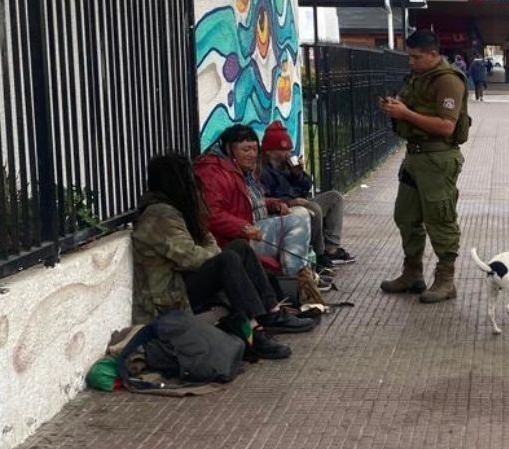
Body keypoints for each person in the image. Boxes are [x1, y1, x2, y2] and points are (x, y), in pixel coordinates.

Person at [130, 153, 307, 361]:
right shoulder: (160, 215)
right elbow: (192, 258)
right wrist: (213, 248)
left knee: (240, 248)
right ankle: (254, 332)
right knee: (227, 260)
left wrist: (203, 230)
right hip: (170, 295)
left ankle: (271, 311)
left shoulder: (173, 209)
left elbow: (205, 239)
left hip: (181, 282)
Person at [378, 30, 469, 304]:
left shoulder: (448, 81)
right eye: (410, 56)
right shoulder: (418, 78)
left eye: (416, 57)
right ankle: (412, 272)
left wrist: (405, 114)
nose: (411, 62)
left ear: (433, 54)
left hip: (437, 159)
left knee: (440, 219)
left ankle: (445, 279)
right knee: (406, 216)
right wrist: (395, 107)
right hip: (414, 157)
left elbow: (446, 126)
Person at [194, 124, 320, 285]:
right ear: (229, 149)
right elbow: (209, 214)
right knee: (299, 217)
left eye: (254, 149)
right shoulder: (213, 172)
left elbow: (247, 200)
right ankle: (296, 280)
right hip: (235, 241)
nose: (252, 155)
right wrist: (242, 227)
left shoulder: (239, 169)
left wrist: (274, 203)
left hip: (252, 228)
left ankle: (300, 275)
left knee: (300, 212)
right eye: (246, 150)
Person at [259, 120, 354, 268]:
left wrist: (298, 175)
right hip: (285, 207)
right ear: (270, 151)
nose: (287, 154)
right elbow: (266, 198)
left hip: (299, 201)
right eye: (283, 150)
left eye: (288, 150)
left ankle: (331, 248)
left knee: (335, 198)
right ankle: (319, 255)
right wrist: (291, 201)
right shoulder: (262, 170)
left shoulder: (285, 166)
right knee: (313, 209)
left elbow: (306, 187)